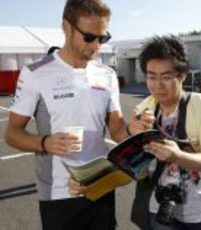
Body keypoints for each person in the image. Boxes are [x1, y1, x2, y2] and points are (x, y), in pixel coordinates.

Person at [4, 1, 152, 229]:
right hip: (59, 195)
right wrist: (44, 142)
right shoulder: (35, 73)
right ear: (66, 27)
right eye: (89, 37)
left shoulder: (107, 75)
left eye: (102, 38)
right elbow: (12, 133)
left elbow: (117, 130)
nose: (96, 46)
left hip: (101, 186)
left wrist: (134, 129)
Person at [129, 35, 201, 230]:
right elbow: (137, 165)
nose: (157, 85)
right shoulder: (144, 109)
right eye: (151, 76)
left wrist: (179, 156)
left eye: (166, 77)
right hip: (159, 210)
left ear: (182, 75)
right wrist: (132, 136)